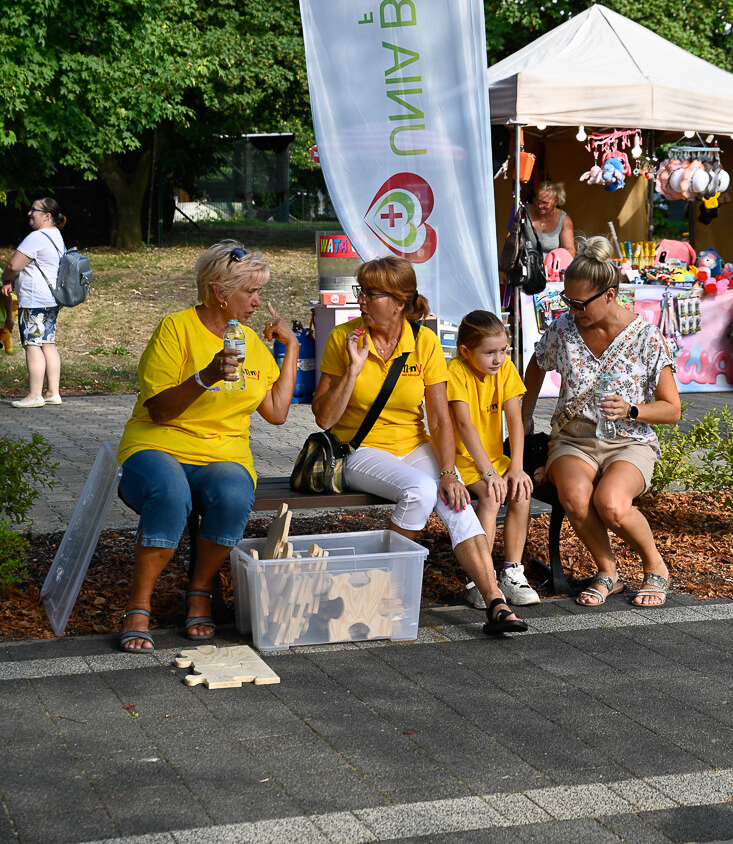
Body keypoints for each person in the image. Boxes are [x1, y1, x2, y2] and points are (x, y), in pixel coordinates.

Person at [312, 257, 528, 634]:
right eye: (360, 291)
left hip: (413, 444)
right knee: (420, 490)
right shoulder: (343, 338)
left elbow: (441, 419)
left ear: (398, 302)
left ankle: (494, 600)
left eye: (371, 294)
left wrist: (450, 472)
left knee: (455, 499)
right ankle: (383, 592)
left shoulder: (423, 341)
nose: (361, 300)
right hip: (357, 450)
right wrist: (353, 369)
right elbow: (324, 419)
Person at [116, 240, 299, 652]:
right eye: (249, 291)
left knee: (235, 492)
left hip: (223, 453)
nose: (256, 301)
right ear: (219, 291)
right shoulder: (175, 328)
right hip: (158, 445)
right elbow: (160, 411)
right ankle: (139, 604)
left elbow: (276, 412)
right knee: (170, 490)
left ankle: (199, 592)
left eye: (258, 291)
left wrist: (292, 349)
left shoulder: (249, 341)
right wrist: (206, 375)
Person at [522, 235, 681, 608]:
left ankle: (655, 566)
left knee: (611, 503)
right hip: (574, 439)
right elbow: (536, 366)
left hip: (629, 441)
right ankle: (607, 571)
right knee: (576, 497)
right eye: (567, 300)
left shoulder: (645, 337)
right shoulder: (563, 328)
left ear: (610, 295)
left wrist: (632, 409)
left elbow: (672, 409)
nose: (572, 310)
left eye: (580, 303)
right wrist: (525, 415)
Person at [447, 310, 538, 608]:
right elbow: (464, 425)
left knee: (521, 493)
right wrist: (488, 473)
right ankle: (479, 579)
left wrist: (517, 468)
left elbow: (515, 419)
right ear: (465, 351)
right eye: (489, 353)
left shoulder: (506, 369)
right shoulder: (454, 371)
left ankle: (512, 573)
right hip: (463, 460)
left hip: (494, 459)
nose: (498, 359)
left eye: (503, 351)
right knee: (490, 495)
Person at [1, 197, 67, 407]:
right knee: (48, 344)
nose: (29, 213)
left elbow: (13, 264)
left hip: (34, 300)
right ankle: (53, 392)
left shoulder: (37, 237)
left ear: (47, 216)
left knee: (32, 345)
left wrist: (6, 279)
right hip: (50, 300)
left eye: (33, 210)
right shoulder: (56, 235)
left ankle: (35, 394)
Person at [525, 181, 575, 256]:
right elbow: (512, 238)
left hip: (552, 266)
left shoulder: (564, 219)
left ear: (556, 202)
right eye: (538, 201)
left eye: (544, 203)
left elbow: (570, 250)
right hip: (526, 264)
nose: (539, 206)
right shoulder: (525, 211)